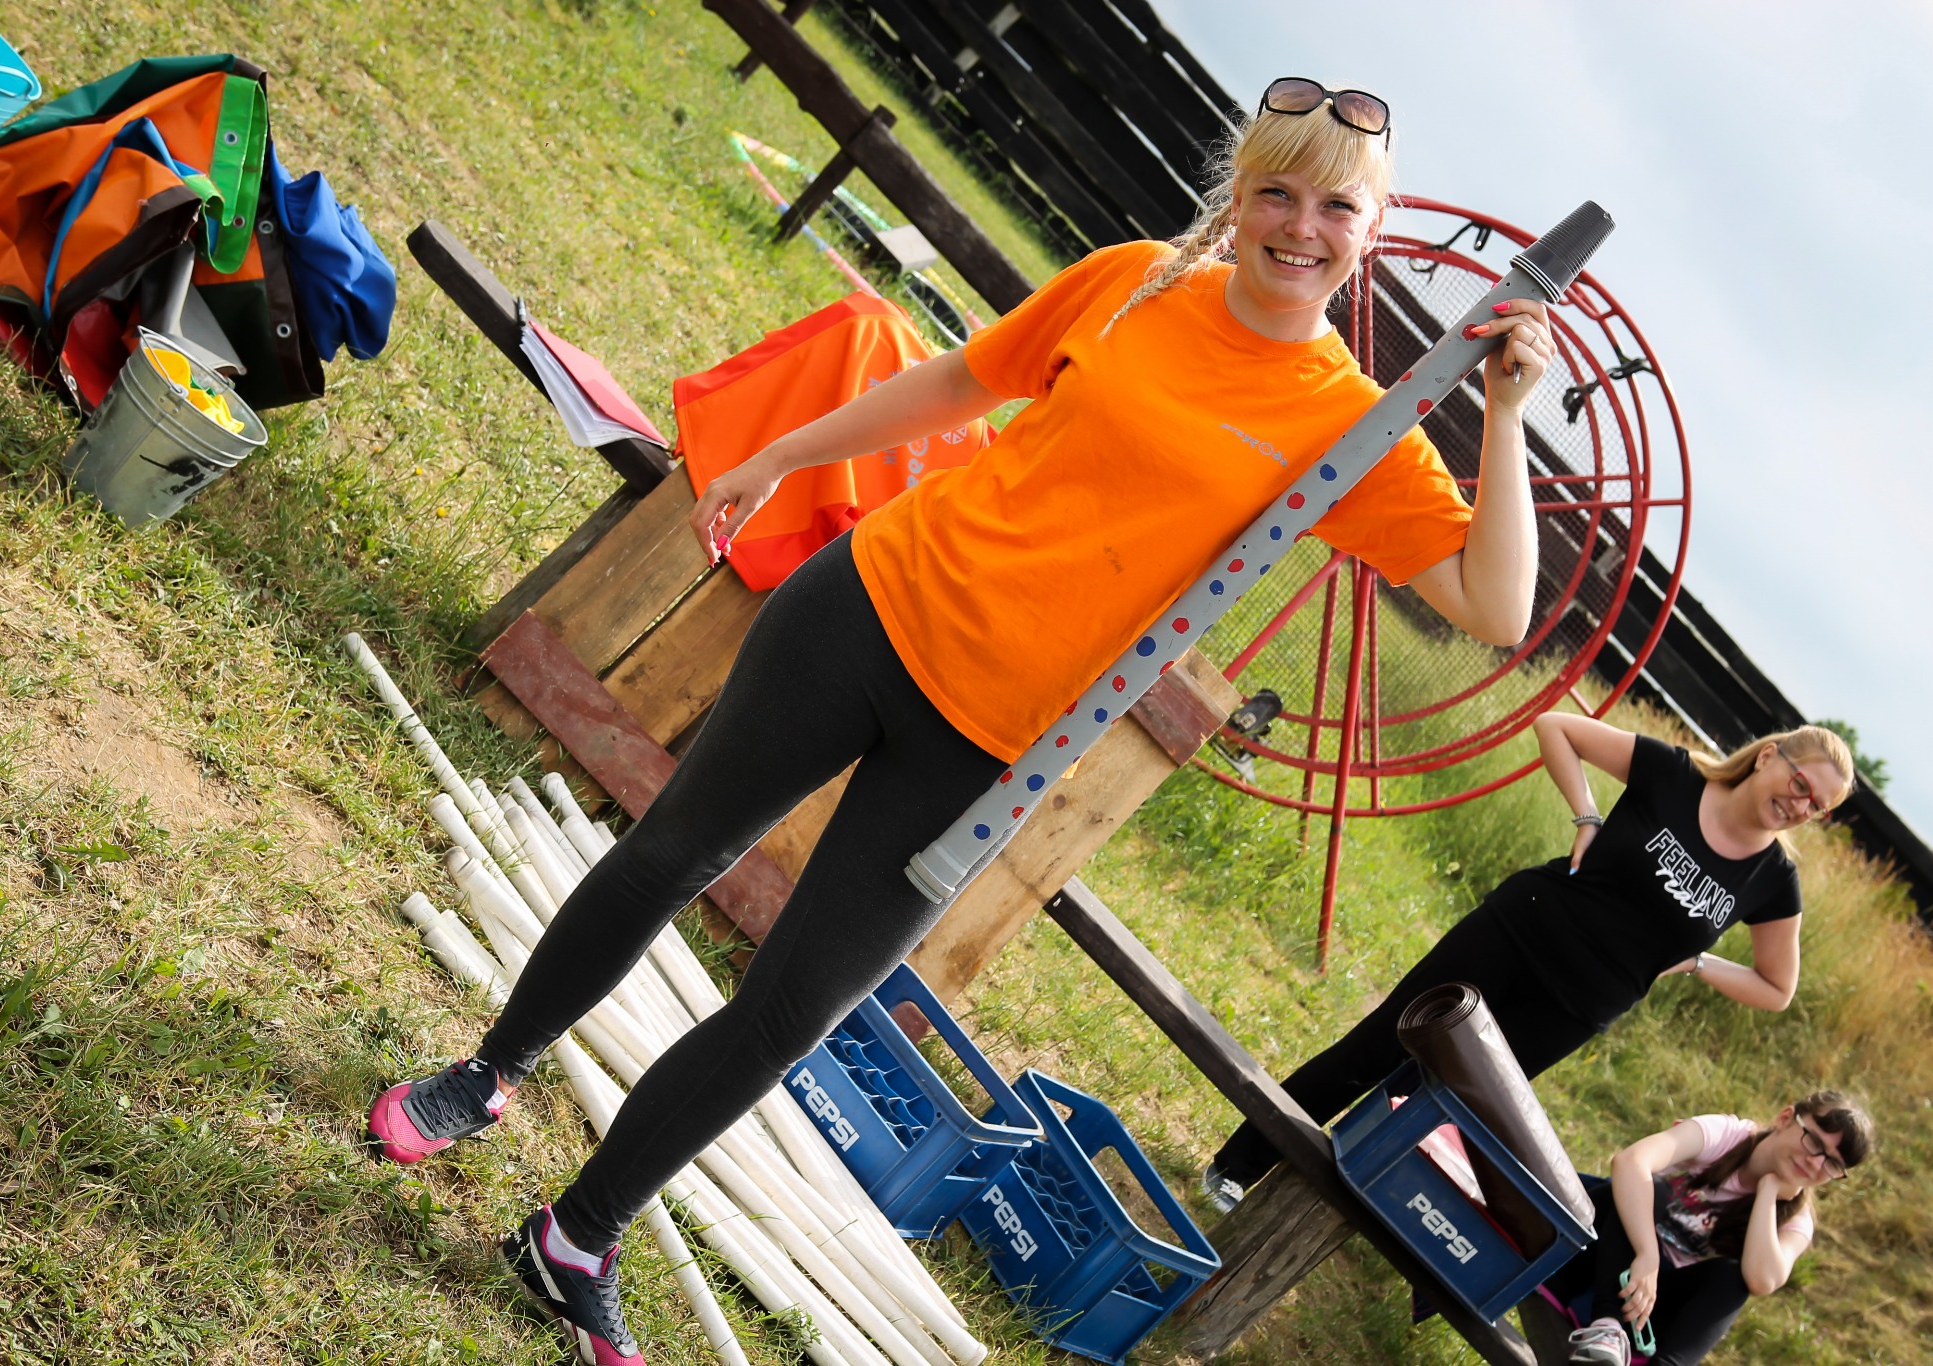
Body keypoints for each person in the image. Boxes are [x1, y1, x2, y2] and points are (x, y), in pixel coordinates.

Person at [368, 76, 1558, 1364]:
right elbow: (955, 383)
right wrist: (782, 457)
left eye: (1336, 204)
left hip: (996, 741)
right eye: (1275, 188)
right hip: (872, 608)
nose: (1298, 224)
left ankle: (577, 1235)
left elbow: (1493, 604)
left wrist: (1498, 416)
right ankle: (486, 1072)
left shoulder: (1351, 429)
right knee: (673, 851)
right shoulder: (1134, 281)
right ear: (1238, 192)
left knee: (794, 1007)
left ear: (1370, 232)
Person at [1205, 717, 1856, 1211]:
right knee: (1374, 1049)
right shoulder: (1673, 774)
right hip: (1517, 930)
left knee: (1430, 1101)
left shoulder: (1774, 882)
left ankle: (1304, 1203)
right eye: (1801, 784)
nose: (1801, 805)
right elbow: (1556, 728)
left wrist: (1696, 963)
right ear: (1770, 756)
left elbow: (1777, 987)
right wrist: (1586, 814)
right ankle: (1237, 1165)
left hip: (1574, 1007)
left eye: (1817, 807)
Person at [1549, 1089, 1874, 1365]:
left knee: (1733, 1278)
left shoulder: (1797, 1219)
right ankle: (1607, 1327)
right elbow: (1631, 1161)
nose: (1815, 1163)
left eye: (1832, 1164)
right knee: (1651, 1192)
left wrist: (1769, 1192)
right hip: (1601, 1253)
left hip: (1647, 1305)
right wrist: (1648, 1253)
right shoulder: (1727, 1135)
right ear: (1786, 1118)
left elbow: (1764, 1280)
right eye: (1814, 1141)